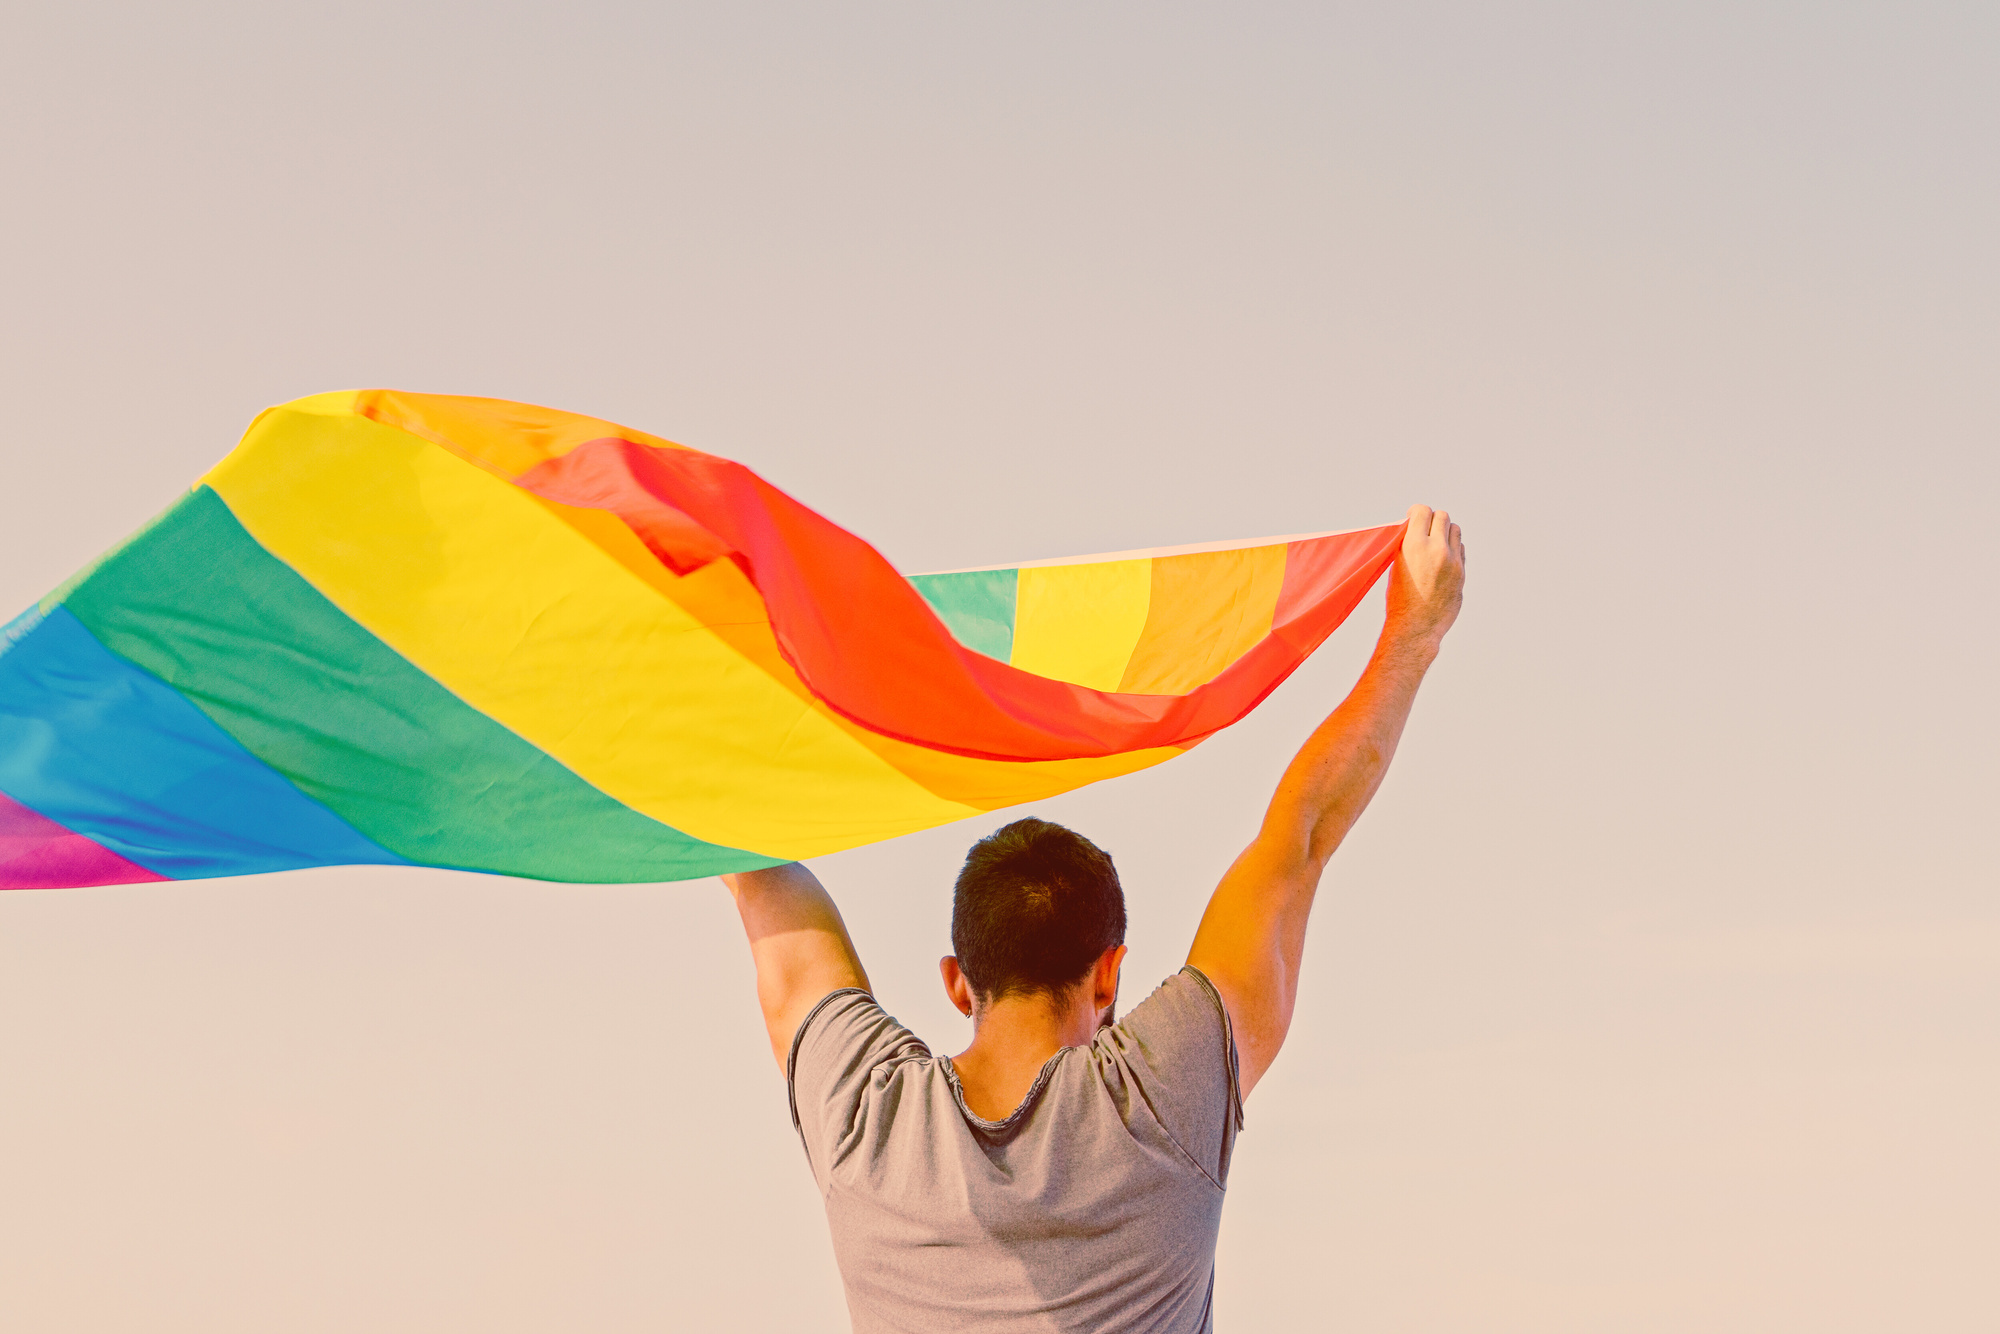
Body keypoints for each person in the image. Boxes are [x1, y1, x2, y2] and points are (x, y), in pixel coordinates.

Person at [724, 505, 1466, 1332]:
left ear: (957, 982)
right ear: (1108, 972)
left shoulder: (869, 1117)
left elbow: (757, 872)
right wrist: (1412, 634)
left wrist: (696, 703)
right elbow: (1301, 838)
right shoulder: (1162, 1100)